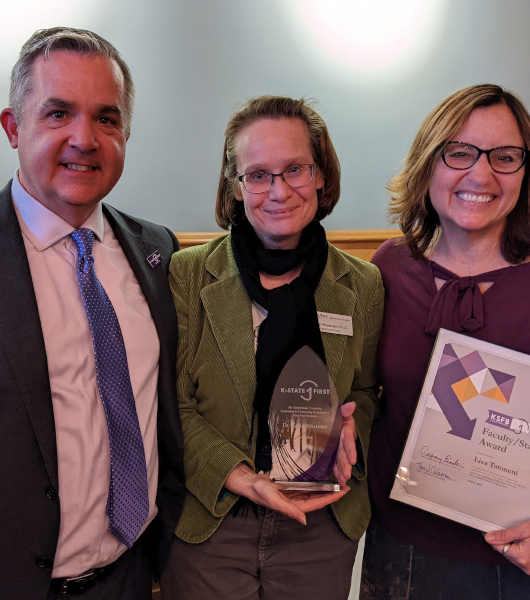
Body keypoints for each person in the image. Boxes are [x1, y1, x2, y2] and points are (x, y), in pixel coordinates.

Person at [0, 27, 185, 599]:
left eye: (106, 119)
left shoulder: (158, 251)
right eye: (58, 113)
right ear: (14, 128)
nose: (84, 139)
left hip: (131, 577)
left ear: (126, 133)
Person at [159, 95, 384, 599]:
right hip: (212, 518)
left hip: (320, 526)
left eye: (295, 169)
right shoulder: (188, 275)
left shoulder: (362, 285)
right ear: (234, 187)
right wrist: (240, 476)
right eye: (257, 174)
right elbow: (171, 404)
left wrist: (353, 428)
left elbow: (368, 392)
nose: (277, 191)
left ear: (321, 174)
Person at [361, 84, 530, 599]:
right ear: (429, 162)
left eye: (504, 157)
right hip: (400, 553)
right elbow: (365, 395)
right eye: (459, 153)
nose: (480, 174)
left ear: (527, 170)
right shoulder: (388, 268)